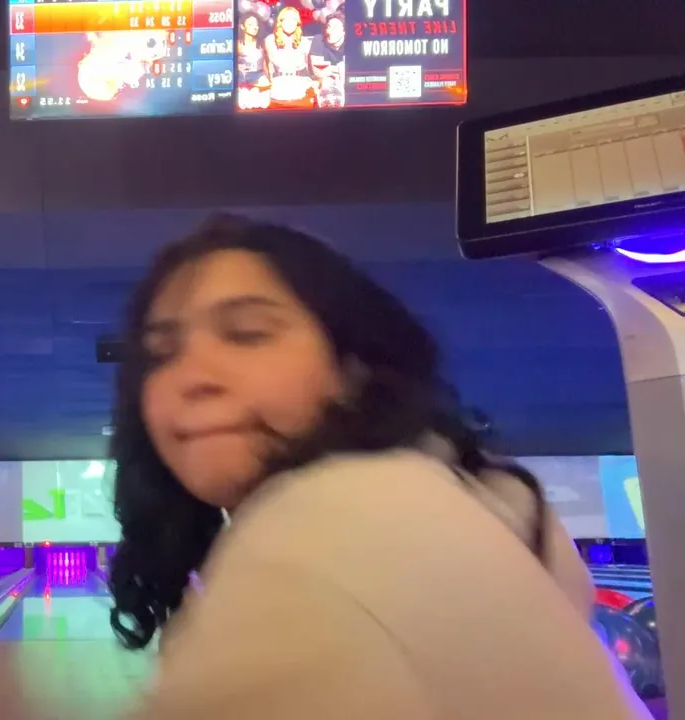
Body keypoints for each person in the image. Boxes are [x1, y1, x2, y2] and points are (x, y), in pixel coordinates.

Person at [107, 215, 651, 718]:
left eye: (248, 333)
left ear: (352, 369)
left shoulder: (318, 530)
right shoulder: (469, 494)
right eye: (161, 354)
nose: (193, 376)